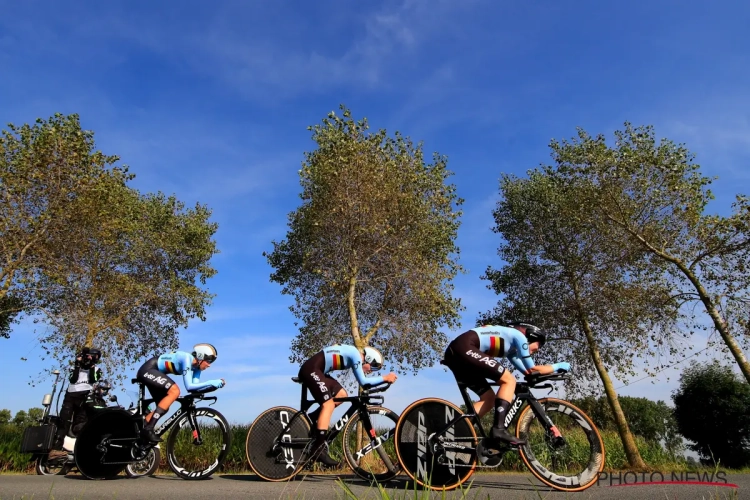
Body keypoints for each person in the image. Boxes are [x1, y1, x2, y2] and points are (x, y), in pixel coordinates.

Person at [442, 322, 570, 446]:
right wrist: (559, 366)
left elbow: (528, 372)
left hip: (457, 353)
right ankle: (499, 429)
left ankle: (453, 431)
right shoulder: (519, 337)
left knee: (489, 399)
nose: (533, 352)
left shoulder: (511, 351)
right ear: (532, 337)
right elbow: (533, 369)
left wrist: (537, 375)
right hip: (464, 347)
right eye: (536, 348)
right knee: (509, 380)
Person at [298, 344, 398, 467]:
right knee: (328, 405)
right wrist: (386, 378)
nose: (372, 371)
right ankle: (318, 450)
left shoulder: (352, 355)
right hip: (311, 369)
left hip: (319, 372)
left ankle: (312, 419)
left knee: (341, 394)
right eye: (374, 367)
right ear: (368, 359)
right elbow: (364, 381)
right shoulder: (355, 355)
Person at [135, 343, 225, 443]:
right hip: (148, 369)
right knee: (175, 391)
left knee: (164, 407)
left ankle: (141, 431)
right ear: (200, 357)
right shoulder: (186, 359)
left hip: (156, 372)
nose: (209, 365)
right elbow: (189, 386)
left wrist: (213, 387)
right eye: (209, 361)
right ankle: (148, 429)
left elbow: (194, 389)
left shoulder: (197, 368)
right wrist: (211, 382)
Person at [48, 346, 104, 460]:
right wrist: (78, 365)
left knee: (81, 422)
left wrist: (92, 366)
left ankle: (80, 449)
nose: (94, 358)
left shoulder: (97, 369)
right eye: (94, 356)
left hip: (85, 395)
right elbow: (72, 380)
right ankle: (56, 449)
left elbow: (93, 379)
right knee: (64, 421)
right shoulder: (74, 367)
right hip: (70, 395)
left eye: (96, 357)